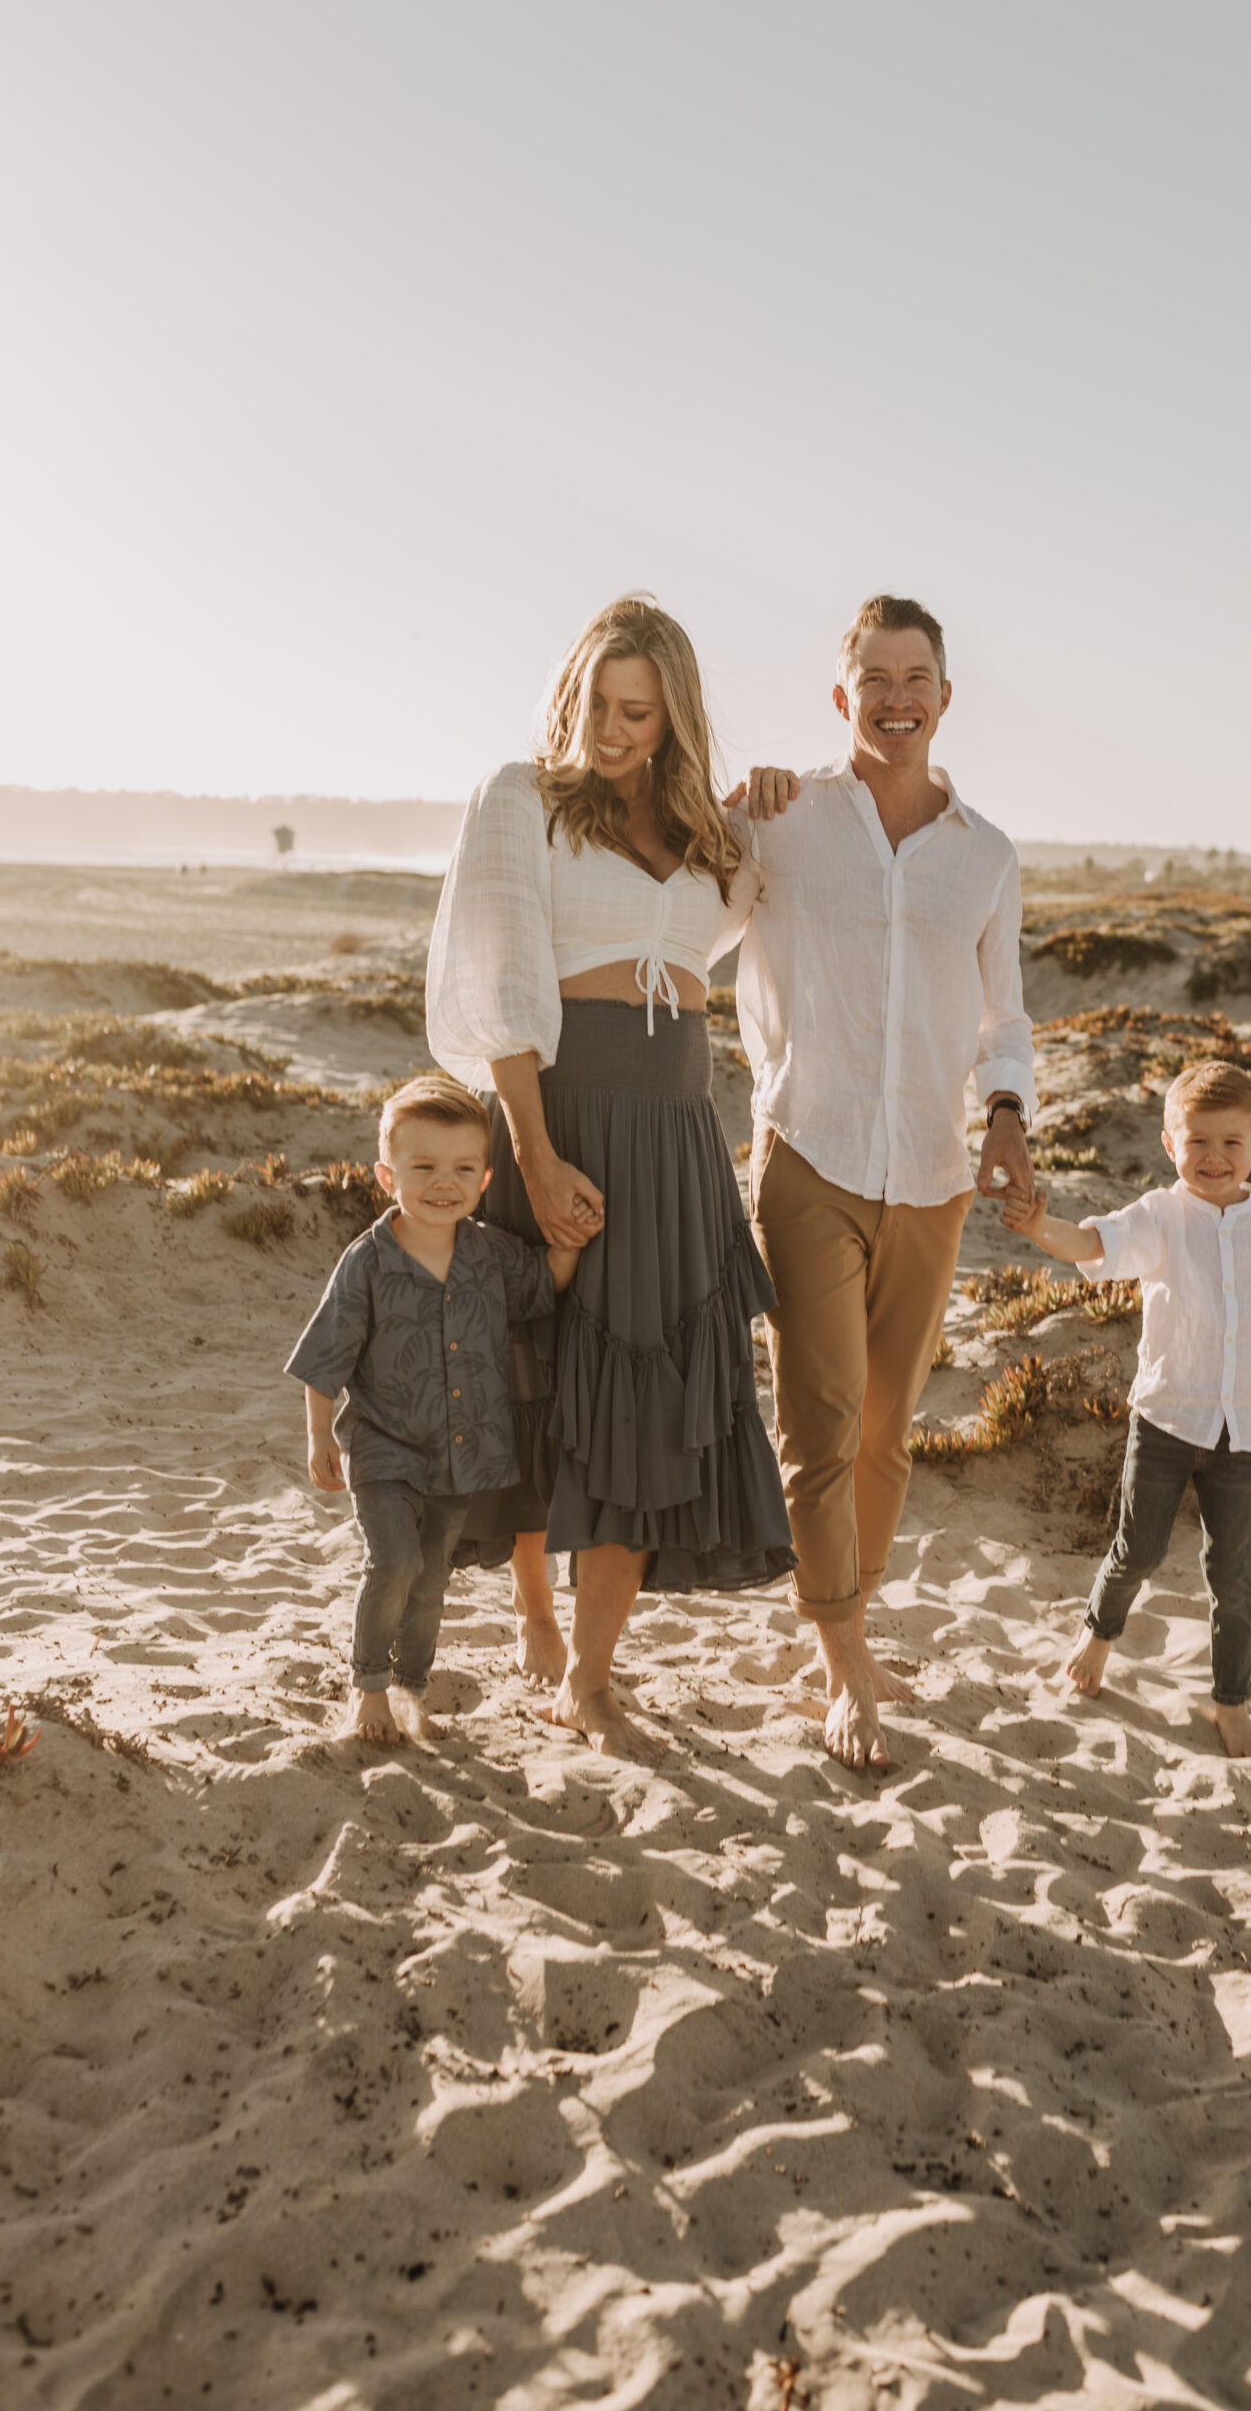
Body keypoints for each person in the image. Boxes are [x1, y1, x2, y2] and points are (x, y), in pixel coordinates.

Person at [425, 594, 796, 1757]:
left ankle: (590, 1672)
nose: (614, 728)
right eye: (599, 702)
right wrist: (533, 1153)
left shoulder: (711, 842)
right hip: (560, 1113)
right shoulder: (520, 801)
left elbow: (732, 928)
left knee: (643, 1398)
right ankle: (534, 1608)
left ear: (676, 714)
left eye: (640, 710)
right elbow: (497, 990)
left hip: (678, 1136)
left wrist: (769, 801)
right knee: (538, 1383)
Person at [734, 593, 1037, 1772]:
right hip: (806, 1151)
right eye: (875, 676)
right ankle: (846, 1656)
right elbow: (689, 920)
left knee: (888, 1432)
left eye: (917, 677)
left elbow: (1005, 1013)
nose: (896, 697)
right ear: (841, 694)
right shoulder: (785, 819)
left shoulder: (989, 855)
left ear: (946, 696)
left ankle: (843, 1607)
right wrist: (722, 817)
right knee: (819, 1421)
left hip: (930, 1170)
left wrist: (1006, 1116)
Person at [999, 1057, 1251, 1757]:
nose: (1213, 1158)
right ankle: (1098, 1637)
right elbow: (1093, 1244)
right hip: (1164, 1420)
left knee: (1233, 1575)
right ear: (1169, 1144)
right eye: (1196, 1141)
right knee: (1138, 1549)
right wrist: (1043, 1229)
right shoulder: (1160, 1216)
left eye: (1229, 1143)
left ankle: (1230, 1701)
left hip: (1240, 1432)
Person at [287, 1075, 578, 1745]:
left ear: (484, 1179)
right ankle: (366, 1693)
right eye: (423, 1168)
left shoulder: (490, 1254)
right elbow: (326, 1350)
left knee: (428, 1583)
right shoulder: (366, 1263)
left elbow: (546, 1282)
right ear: (387, 1177)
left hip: (459, 1458)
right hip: (386, 1449)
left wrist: (572, 1236)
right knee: (393, 1565)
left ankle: (411, 1692)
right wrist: (318, 1436)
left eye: (461, 1169)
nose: (442, 1183)